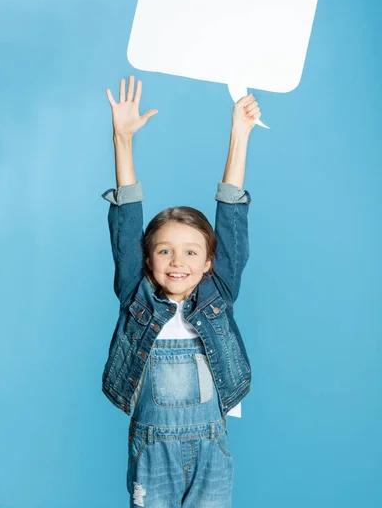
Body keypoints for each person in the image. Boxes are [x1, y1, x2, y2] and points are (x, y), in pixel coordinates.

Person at [101, 75, 262, 508]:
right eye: (165, 251)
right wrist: (122, 139)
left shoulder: (217, 295)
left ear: (209, 263)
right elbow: (127, 219)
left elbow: (231, 218)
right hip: (152, 451)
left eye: (191, 252)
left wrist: (239, 132)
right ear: (147, 260)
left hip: (212, 447)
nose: (178, 262)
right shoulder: (136, 296)